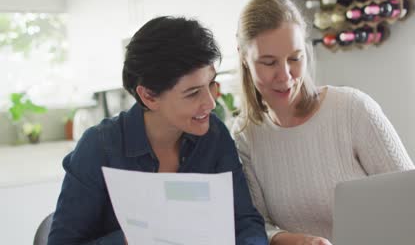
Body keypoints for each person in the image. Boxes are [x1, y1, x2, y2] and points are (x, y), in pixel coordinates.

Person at [48, 16, 268, 245]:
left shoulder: (214, 135)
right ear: (149, 96)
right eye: (193, 93)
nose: (210, 103)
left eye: (211, 84)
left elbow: (245, 221)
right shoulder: (100, 147)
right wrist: (131, 238)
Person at [232, 0, 415, 245]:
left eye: (295, 58)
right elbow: (256, 225)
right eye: (269, 62)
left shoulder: (352, 109)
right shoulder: (247, 134)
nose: (285, 76)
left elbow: (414, 200)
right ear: (243, 55)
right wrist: (295, 240)